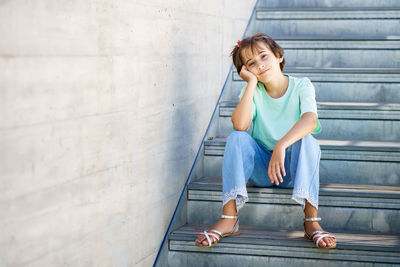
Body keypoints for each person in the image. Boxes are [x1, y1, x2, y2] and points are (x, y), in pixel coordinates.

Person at [195, 33, 337, 249]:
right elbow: (240, 125)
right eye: (251, 64)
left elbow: (310, 120)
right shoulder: (253, 90)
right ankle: (229, 218)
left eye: (264, 56)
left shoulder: (302, 86)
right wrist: (251, 83)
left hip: (290, 169)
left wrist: (281, 145)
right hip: (263, 170)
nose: (260, 65)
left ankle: (311, 221)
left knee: (308, 140)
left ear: (279, 56)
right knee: (237, 138)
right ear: (246, 70)